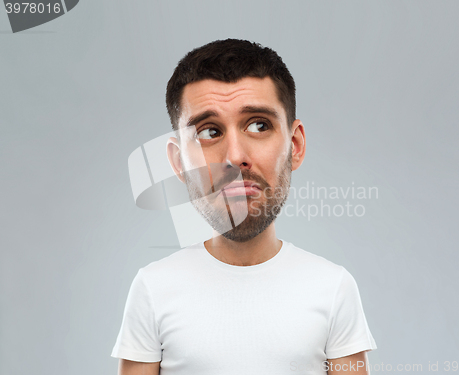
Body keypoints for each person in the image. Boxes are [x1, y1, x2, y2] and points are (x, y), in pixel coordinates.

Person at [111, 39, 377, 375]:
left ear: (294, 145)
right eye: (209, 131)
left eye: (258, 125)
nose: (235, 157)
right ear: (178, 162)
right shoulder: (152, 288)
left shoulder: (334, 287)